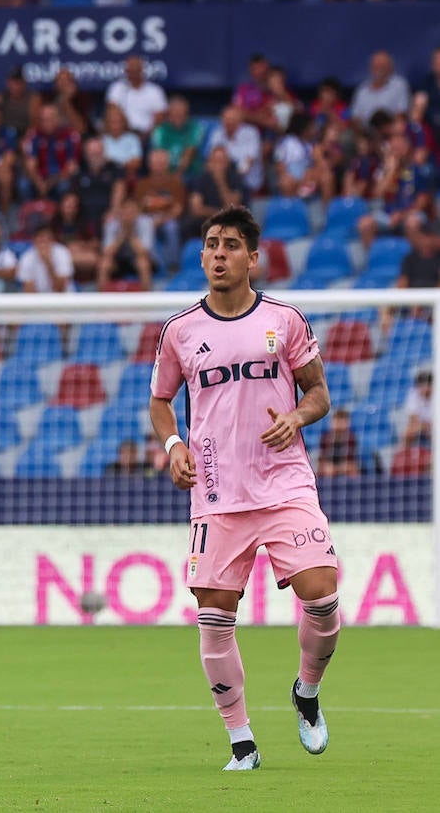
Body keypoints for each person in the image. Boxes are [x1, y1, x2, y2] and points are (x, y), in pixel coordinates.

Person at [150, 207, 338, 771]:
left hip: (283, 485)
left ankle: (306, 691)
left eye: (231, 245)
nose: (218, 254)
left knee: (323, 594)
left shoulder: (286, 320)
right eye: (211, 245)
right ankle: (242, 743)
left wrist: (298, 419)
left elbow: (319, 395)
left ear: (252, 257)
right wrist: (173, 446)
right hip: (216, 492)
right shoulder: (180, 331)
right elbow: (161, 401)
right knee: (214, 614)